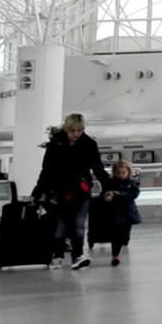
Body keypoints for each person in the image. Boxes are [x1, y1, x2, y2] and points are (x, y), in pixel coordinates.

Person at [34, 114, 112, 271]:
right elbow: (47, 170)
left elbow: (98, 168)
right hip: (59, 191)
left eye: (80, 130)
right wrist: (36, 193)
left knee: (79, 224)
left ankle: (78, 256)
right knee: (61, 225)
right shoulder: (56, 143)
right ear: (66, 129)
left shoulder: (89, 144)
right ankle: (58, 256)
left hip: (81, 190)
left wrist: (108, 187)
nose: (76, 134)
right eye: (73, 131)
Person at [97, 159, 142, 265]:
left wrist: (117, 194)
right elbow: (105, 193)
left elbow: (133, 195)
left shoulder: (132, 183)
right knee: (116, 235)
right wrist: (107, 196)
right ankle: (115, 255)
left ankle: (124, 242)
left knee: (125, 234)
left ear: (128, 172)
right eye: (118, 173)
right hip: (115, 212)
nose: (121, 175)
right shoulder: (110, 183)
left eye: (123, 173)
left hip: (128, 212)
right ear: (114, 173)